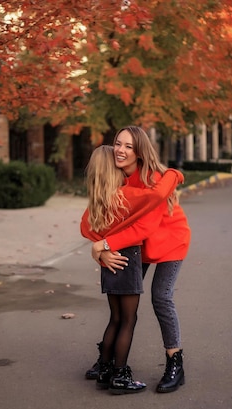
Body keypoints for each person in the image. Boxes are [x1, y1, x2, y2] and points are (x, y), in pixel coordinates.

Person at [87, 126, 191, 394]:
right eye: (117, 144)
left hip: (170, 242)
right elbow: (97, 218)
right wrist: (99, 250)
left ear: (139, 151)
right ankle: (107, 362)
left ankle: (174, 362)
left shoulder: (154, 180)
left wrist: (105, 244)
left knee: (161, 297)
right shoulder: (118, 177)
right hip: (136, 246)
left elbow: (143, 227)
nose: (120, 150)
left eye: (128, 146)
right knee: (121, 306)